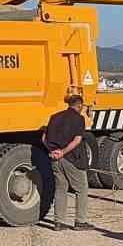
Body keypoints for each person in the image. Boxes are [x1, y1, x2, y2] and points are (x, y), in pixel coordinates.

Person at [45, 94, 93, 231]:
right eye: (82, 106)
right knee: (81, 189)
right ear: (79, 105)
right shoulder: (79, 119)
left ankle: (59, 222)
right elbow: (77, 140)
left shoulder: (54, 117)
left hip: (55, 158)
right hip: (71, 158)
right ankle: (80, 221)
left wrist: (53, 151)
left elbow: (44, 137)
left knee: (61, 189)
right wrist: (63, 152)